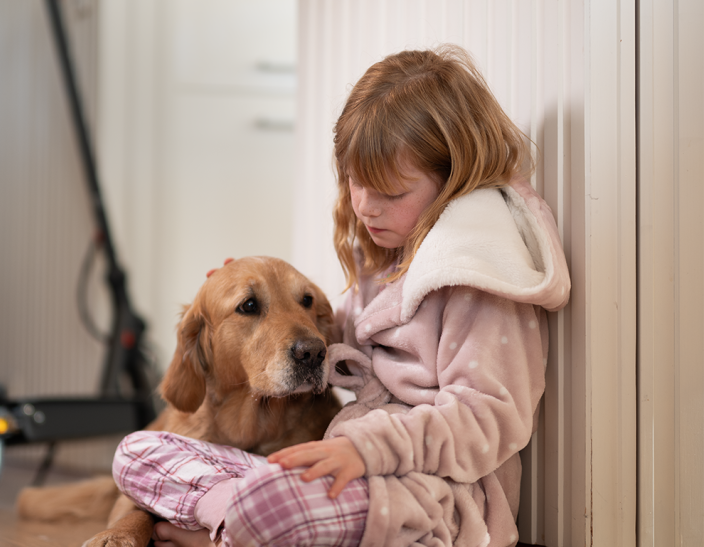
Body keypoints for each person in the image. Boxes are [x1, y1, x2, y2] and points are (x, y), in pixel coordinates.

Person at [113, 44, 570, 547]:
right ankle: (237, 522)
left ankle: (218, 528)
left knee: (271, 503)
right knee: (137, 453)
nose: (366, 208)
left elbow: (488, 420)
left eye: (392, 193)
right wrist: (233, 294)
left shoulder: (480, 275)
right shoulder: (391, 257)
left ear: (453, 181)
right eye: (355, 181)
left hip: (429, 501)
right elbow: (340, 340)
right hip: (354, 465)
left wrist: (367, 451)